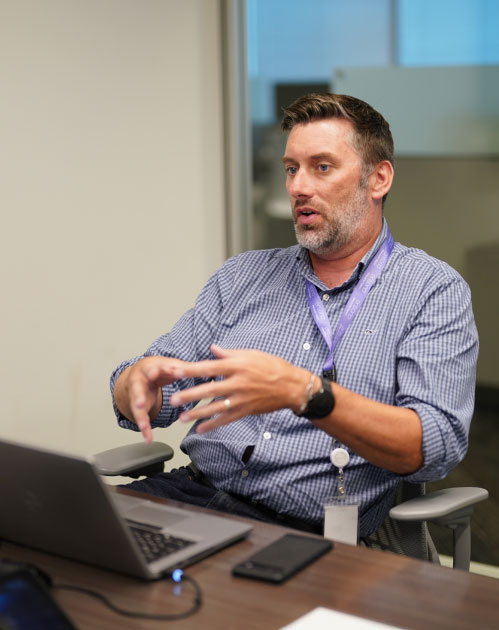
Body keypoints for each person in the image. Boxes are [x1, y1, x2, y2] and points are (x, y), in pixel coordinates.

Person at [111, 93, 478, 539]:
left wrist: (306, 394)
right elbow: (158, 391)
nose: (298, 187)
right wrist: (133, 385)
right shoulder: (242, 275)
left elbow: (435, 444)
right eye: (291, 168)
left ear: (378, 178)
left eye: (322, 167)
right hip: (190, 495)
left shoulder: (430, 290)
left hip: (308, 529)